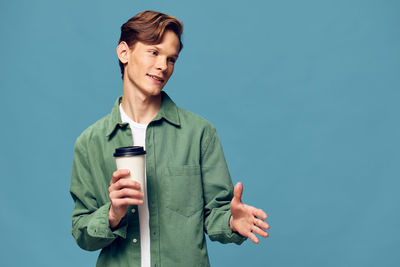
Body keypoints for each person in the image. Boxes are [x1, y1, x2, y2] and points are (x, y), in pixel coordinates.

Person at [70, 10, 269, 267]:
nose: (163, 66)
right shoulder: (89, 143)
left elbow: (215, 214)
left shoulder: (199, 133)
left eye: (171, 58)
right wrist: (112, 214)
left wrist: (231, 221)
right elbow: (81, 232)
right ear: (124, 52)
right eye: (154, 52)